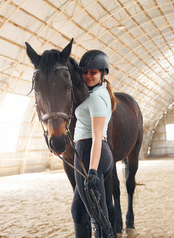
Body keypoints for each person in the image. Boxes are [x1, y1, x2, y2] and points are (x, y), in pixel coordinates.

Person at [71, 50, 117, 238]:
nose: (88, 76)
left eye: (93, 72)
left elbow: (97, 137)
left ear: (102, 73)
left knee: (97, 216)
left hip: (90, 153)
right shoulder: (99, 91)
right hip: (88, 151)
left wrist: (91, 170)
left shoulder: (96, 98)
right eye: (85, 72)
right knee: (78, 210)